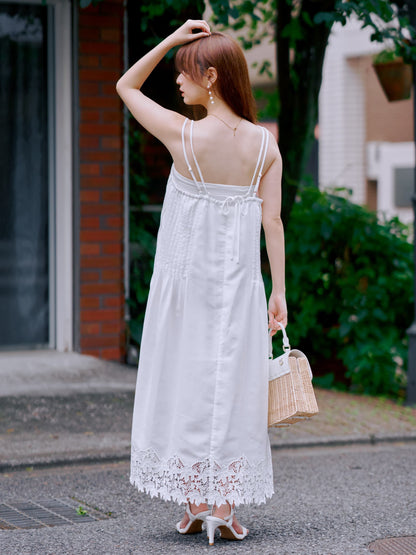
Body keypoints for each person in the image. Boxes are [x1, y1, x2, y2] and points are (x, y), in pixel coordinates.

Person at [116, 19, 287, 546]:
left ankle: (196, 505)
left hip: (186, 287)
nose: (177, 81)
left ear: (211, 77)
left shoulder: (183, 135)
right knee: (233, 386)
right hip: (240, 287)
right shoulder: (265, 146)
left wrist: (171, 38)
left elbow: (125, 85)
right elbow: (273, 221)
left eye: (185, 72)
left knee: (187, 380)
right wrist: (279, 291)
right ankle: (224, 510)